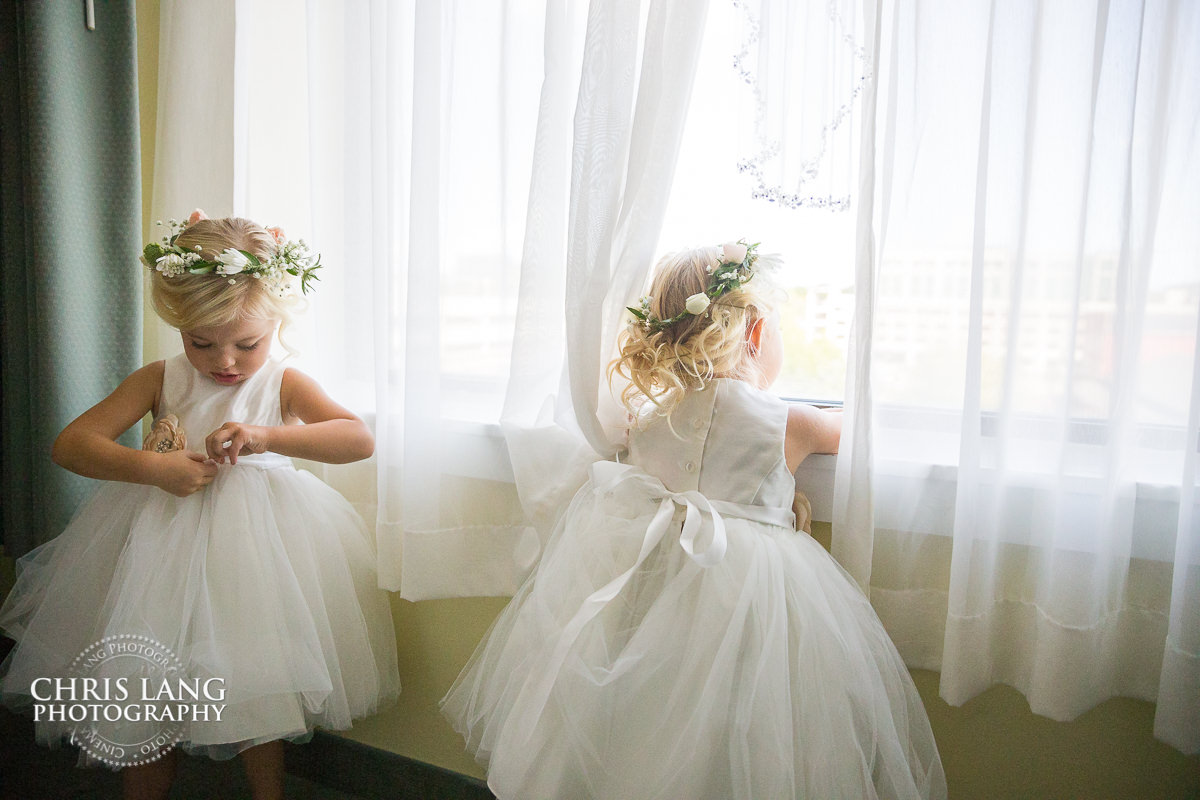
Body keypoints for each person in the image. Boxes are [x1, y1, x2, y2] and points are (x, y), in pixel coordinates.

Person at [442, 242, 946, 799]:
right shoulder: (790, 422)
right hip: (751, 596)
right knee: (748, 725)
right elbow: (855, 429)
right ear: (754, 335)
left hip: (656, 583)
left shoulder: (651, 417)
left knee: (647, 713)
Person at [0, 211, 399, 800]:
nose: (226, 362)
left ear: (277, 324)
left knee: (259, 675)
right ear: (178, 326)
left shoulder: (283, 384)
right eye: (201, 342)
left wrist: (268, 436)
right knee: (145, 679)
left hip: (256, 554)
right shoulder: (161, 377)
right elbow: (72, 445)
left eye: (248, 344)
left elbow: (357, 439)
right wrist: (154, 468)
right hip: (158, 546)